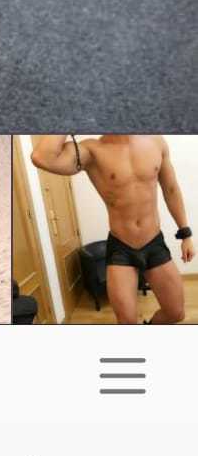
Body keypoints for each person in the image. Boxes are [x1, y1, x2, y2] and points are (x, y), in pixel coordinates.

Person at [30, 135, 194, 324]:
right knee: (127, 323)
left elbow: (171, 189)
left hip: (154, 243)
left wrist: (185, 234)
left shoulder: (156, 142)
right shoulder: (92, 150)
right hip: (121, 249)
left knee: (176, 313)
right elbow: (42, 157)